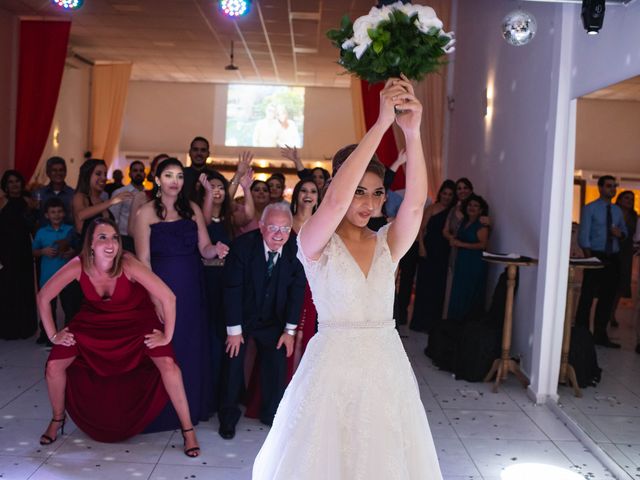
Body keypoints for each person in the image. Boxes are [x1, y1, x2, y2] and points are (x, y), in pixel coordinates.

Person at [253, 76, 442, 479]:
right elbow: (335, 200)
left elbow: (413, 207)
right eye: (359, 191)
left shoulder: (387, 241)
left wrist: (412, 132)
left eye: (375, 193)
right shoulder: (313, 241)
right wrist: (379, 125)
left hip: (385, 366)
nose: (369, 202)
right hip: (333, 371)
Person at [37, 218, 200, 456]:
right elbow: (43, 297)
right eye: (102, 237)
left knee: (168, 365)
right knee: (53, 366)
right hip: (93, 321)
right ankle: (57, 419)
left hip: (137, 319)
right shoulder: (77, 265)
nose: (111, 243)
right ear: (90, 244)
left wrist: (167, 336)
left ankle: (188, 431)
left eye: (114, 237)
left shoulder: (128, 263)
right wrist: (53, 335)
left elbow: (169, 298)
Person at [134, 157, 227, 430]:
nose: (174, 181)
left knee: (189, 345)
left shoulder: (193, 209)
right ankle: (162, 411)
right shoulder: (146, 212)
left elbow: (205, 249)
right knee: (166, 348)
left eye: (178, 176)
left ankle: (191, 407)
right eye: (168, 175)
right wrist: (154, 298)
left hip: (191, 287)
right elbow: (143, 262)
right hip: (161, 286)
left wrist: (217, 250)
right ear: (158, 179)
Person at [219, 203, 306, 440]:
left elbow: (297, 291)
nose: (279, 235)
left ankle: (272, 415)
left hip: (273, 320)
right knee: (233, 362)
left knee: (277, 365)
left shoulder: (296, 249)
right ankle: (227, 417)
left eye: (285, 228)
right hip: (243, 317)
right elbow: (232, 289)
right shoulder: (242, 247)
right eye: (273, 228)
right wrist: (234, 331)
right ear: (261, 226)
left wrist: (289, 330)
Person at [195, 163, 254, 414]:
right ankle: (206, 395)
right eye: (212, 186)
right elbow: (207, 220)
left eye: (220, 187)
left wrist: (246, 188)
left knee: (225, 337)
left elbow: (249, 216)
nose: (217, 190)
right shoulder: (199, 214)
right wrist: (208, 193)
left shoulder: (231, 217)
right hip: (205, 279)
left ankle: (225, 396)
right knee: (208, 337)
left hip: (227, 282)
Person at [576, 175, 627, 348]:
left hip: (613, 258)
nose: (612, 189)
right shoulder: (590, 209)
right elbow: (583, 236)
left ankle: (600, 335)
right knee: (587, 296)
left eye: (614, 186)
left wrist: (620, 234)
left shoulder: (617, 211)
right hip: (595, 255)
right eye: (608, 186)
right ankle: (580, 334)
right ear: (600, 188)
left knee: (607, 297)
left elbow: (625, 232)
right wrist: (590, 258)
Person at [410, 180, 456, 332]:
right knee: (424, 286)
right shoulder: (432, 208)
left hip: (443, 252)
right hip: (429, 249)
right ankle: (420, 323)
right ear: (440, 193)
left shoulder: (454, 212)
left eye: (450, 194)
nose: (447, 197)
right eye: (445, 193)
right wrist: (421, 247)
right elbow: (421, 229)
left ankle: (433, 325)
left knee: (438, 288)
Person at [0, 170, 38, 339]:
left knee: (24, 288)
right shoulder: (1, 202)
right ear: (5, 186)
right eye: (10, 182)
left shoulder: (28, 201)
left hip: (23, 250)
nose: (14, 185)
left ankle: (25, 328)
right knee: (6, 289)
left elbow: (33, 228)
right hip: (5, 252)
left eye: (17, 181)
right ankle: (7, 329)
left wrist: (31, 210)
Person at [32, 198, 75, 344]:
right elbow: (33, 251)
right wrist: (43, 251)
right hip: (47, 277)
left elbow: (78, 249)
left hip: (67, 279)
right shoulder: (41, 232)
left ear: (64, 213)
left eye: (59, 212)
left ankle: (70, 335)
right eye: (52, 212)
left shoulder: (70, 230)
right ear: (46, 215)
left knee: (69, 307)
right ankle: (47, 335)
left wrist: (71, 252)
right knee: (49, 307)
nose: (56, 215)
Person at [447, 194, 490, 321]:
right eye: (470, 205)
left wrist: (461, 244)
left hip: (474, 263)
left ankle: (466, 327)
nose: (472, 208)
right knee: (458, 292)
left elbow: (483, 245)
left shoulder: (481, 226)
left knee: (469, 293)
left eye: (476, 206)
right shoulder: (464, 222)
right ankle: (454, 324)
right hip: (462, 261)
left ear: (481, 210)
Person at [73, 159, 133, 246]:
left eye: (105, 174)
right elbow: (81, 215)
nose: (104, 178)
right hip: (87, 253)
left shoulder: (102, 200)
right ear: (87, 175)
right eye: (98, 174)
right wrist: (112, 201)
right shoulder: (80, 196)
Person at [610, 190, 637, 328]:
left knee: (621, 284)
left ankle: (612, 313)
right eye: (626, 198)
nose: (629, 201)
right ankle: (606, 312)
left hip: (626, 252)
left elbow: (635, 235)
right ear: (619, 199)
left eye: (632, 199)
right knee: (610, 283)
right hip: (611, 250)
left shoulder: (634, 216)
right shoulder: (613, 212)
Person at [127, 153, 169, 237]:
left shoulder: (177, 198)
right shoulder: (142, 197)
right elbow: (131, 230)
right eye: (160, 167)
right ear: (153, 172)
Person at [109, 161, 146, 252]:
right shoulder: (119, 193)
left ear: (144, 174)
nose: (138, 173)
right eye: (135, 170)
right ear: (129, 174)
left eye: (141, 171)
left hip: (144, 238)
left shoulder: (148, 194)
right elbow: (113, 219)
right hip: (124, 238)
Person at [34, 156, 75, 226]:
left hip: (68, 235)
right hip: (44, 236)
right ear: (48, 173)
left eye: (61, 170)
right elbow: (33, 218)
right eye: (54, 170)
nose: (58, 173)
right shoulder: (39, 194)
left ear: (65, 172)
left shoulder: (73, 194)